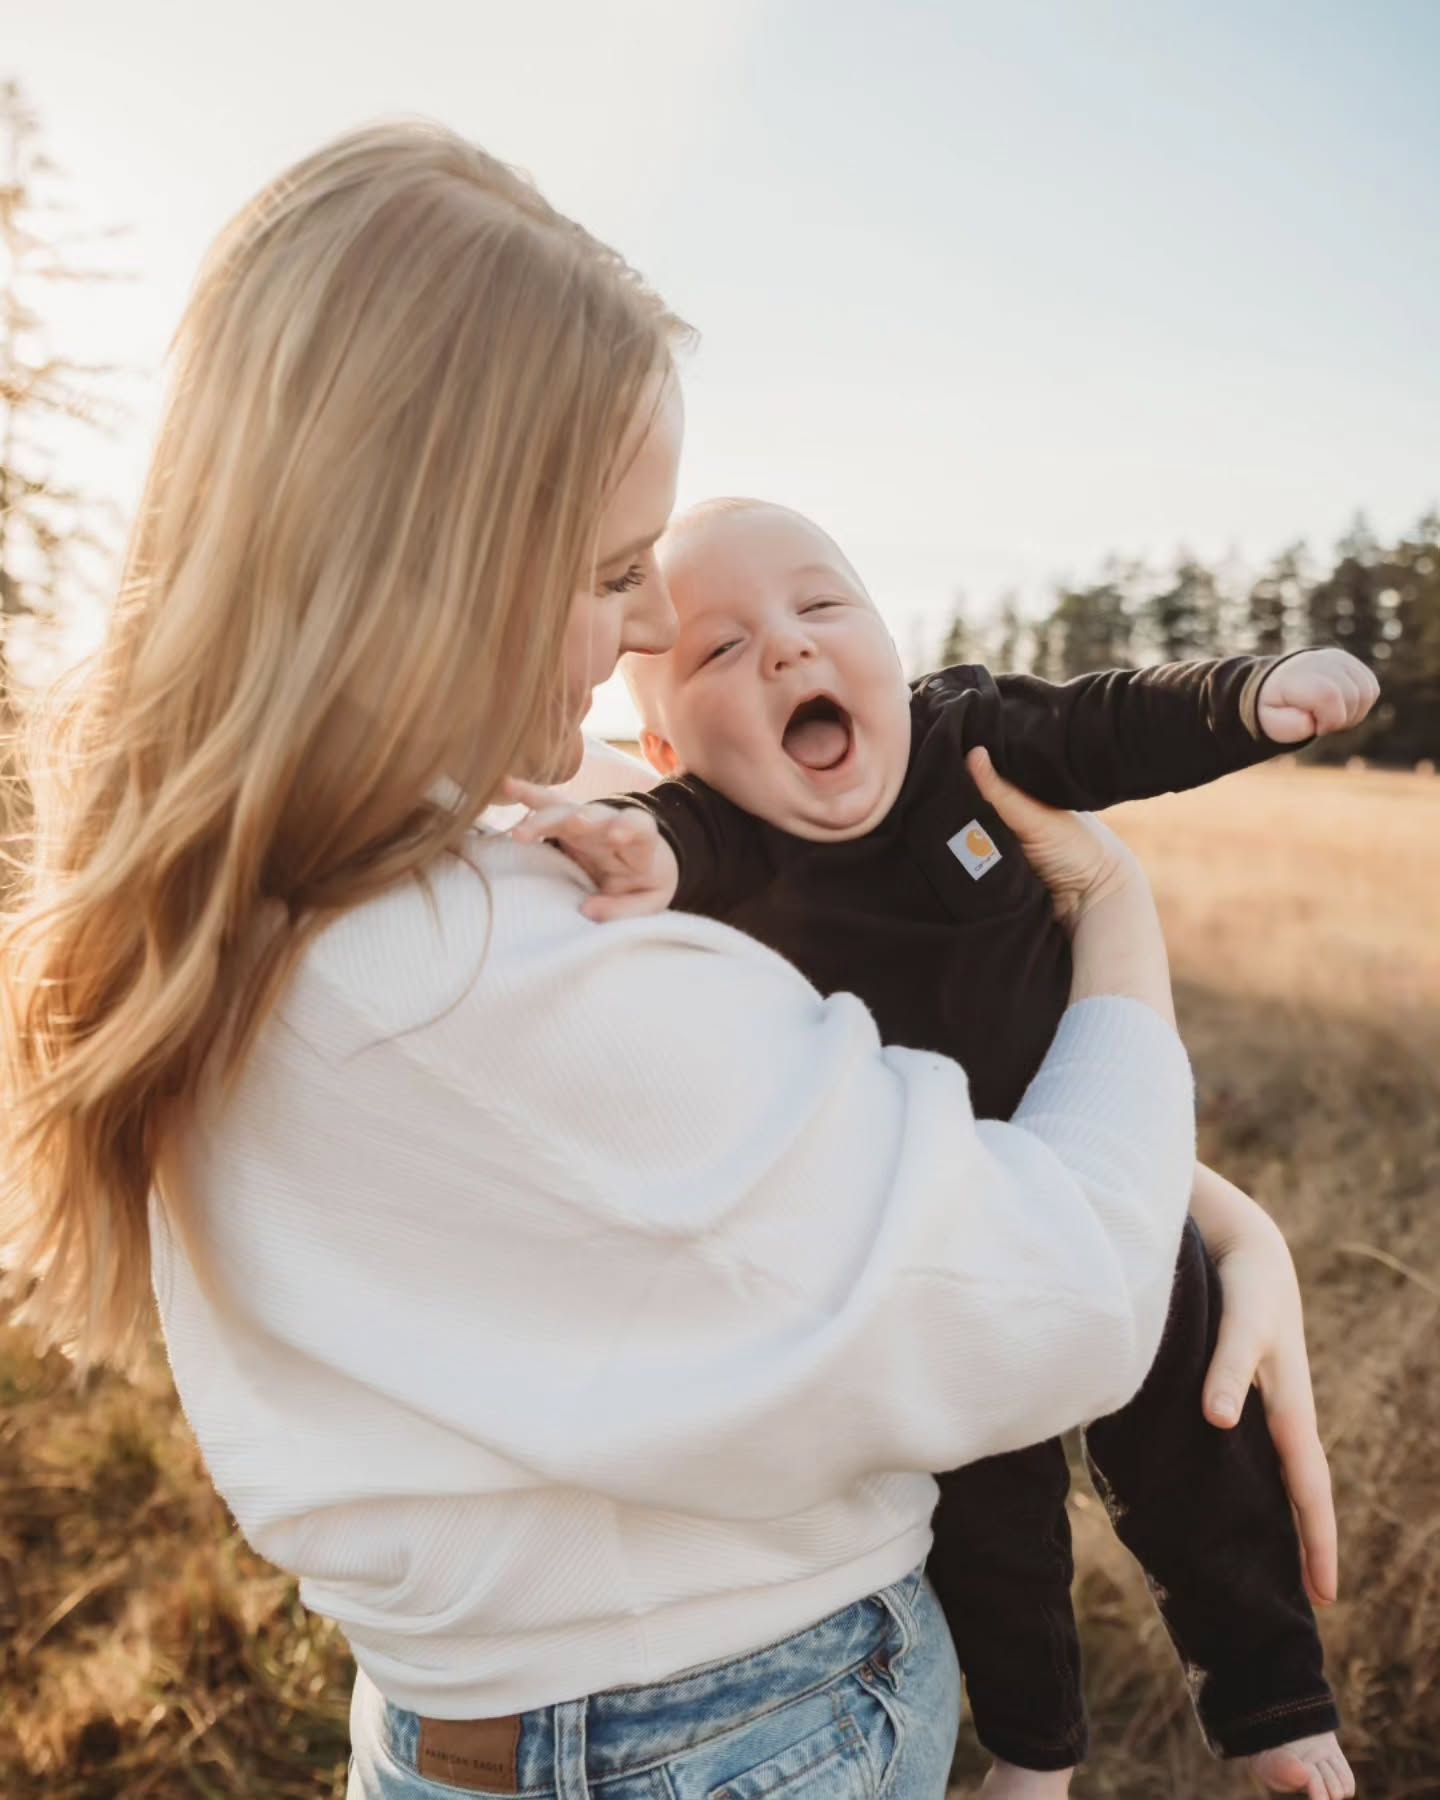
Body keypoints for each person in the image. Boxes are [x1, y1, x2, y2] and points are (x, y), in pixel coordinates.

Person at [0, 122, 1338, 1800]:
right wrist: (1117, 923)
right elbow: (1060, 1296)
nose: (647, 628)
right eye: (618, 573)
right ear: (432, 560)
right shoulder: (481, 964)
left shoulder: (280, 901)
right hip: (726, 1732)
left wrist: (1207, 1201)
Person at [506, 499, 1373, 1799]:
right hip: (937, 1237)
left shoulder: (965, 742)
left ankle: (1276, 1710)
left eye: (820, 607)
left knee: (1205, 1433)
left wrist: (1254, 696)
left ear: (887, 641)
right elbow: (671, 843)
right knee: (984, 1518)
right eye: (721, 649)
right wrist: (638, 844)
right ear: (672, 740)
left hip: (1102, 1165)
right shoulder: (722, 838)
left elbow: (1110, 718)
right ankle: (1035, 1752)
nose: (789, 651)